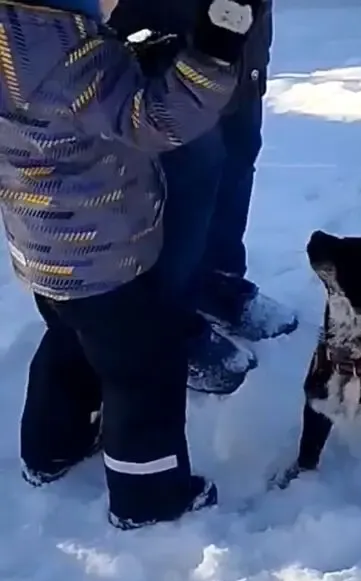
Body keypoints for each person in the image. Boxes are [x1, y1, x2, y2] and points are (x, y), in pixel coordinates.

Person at [0, 0, 264, 528]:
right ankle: (148, 495)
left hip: (41, 252)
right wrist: (212, 53)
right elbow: (158, 120)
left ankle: (48, 450)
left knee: (73, 344)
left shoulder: (17, 39)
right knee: (143, 375)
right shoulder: (70, 55)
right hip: (105, 255)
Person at [110, 0, 298, 396]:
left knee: (236, 160)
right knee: (186, 192)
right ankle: (170, 325)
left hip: (242, 39)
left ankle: (217, 283)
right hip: (167, 49)